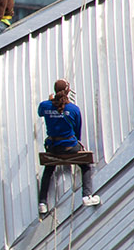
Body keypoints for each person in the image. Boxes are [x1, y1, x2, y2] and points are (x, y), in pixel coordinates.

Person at [37, 79, 101, 214]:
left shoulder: (45, 106)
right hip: (70, 147)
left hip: (53, 147)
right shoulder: (73, 109)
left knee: (48, 170)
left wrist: (50, 101)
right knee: (85, 166)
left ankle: (42, 202)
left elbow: (41, 112)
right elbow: (77, 132)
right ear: (67, 91)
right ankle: (87, 195)